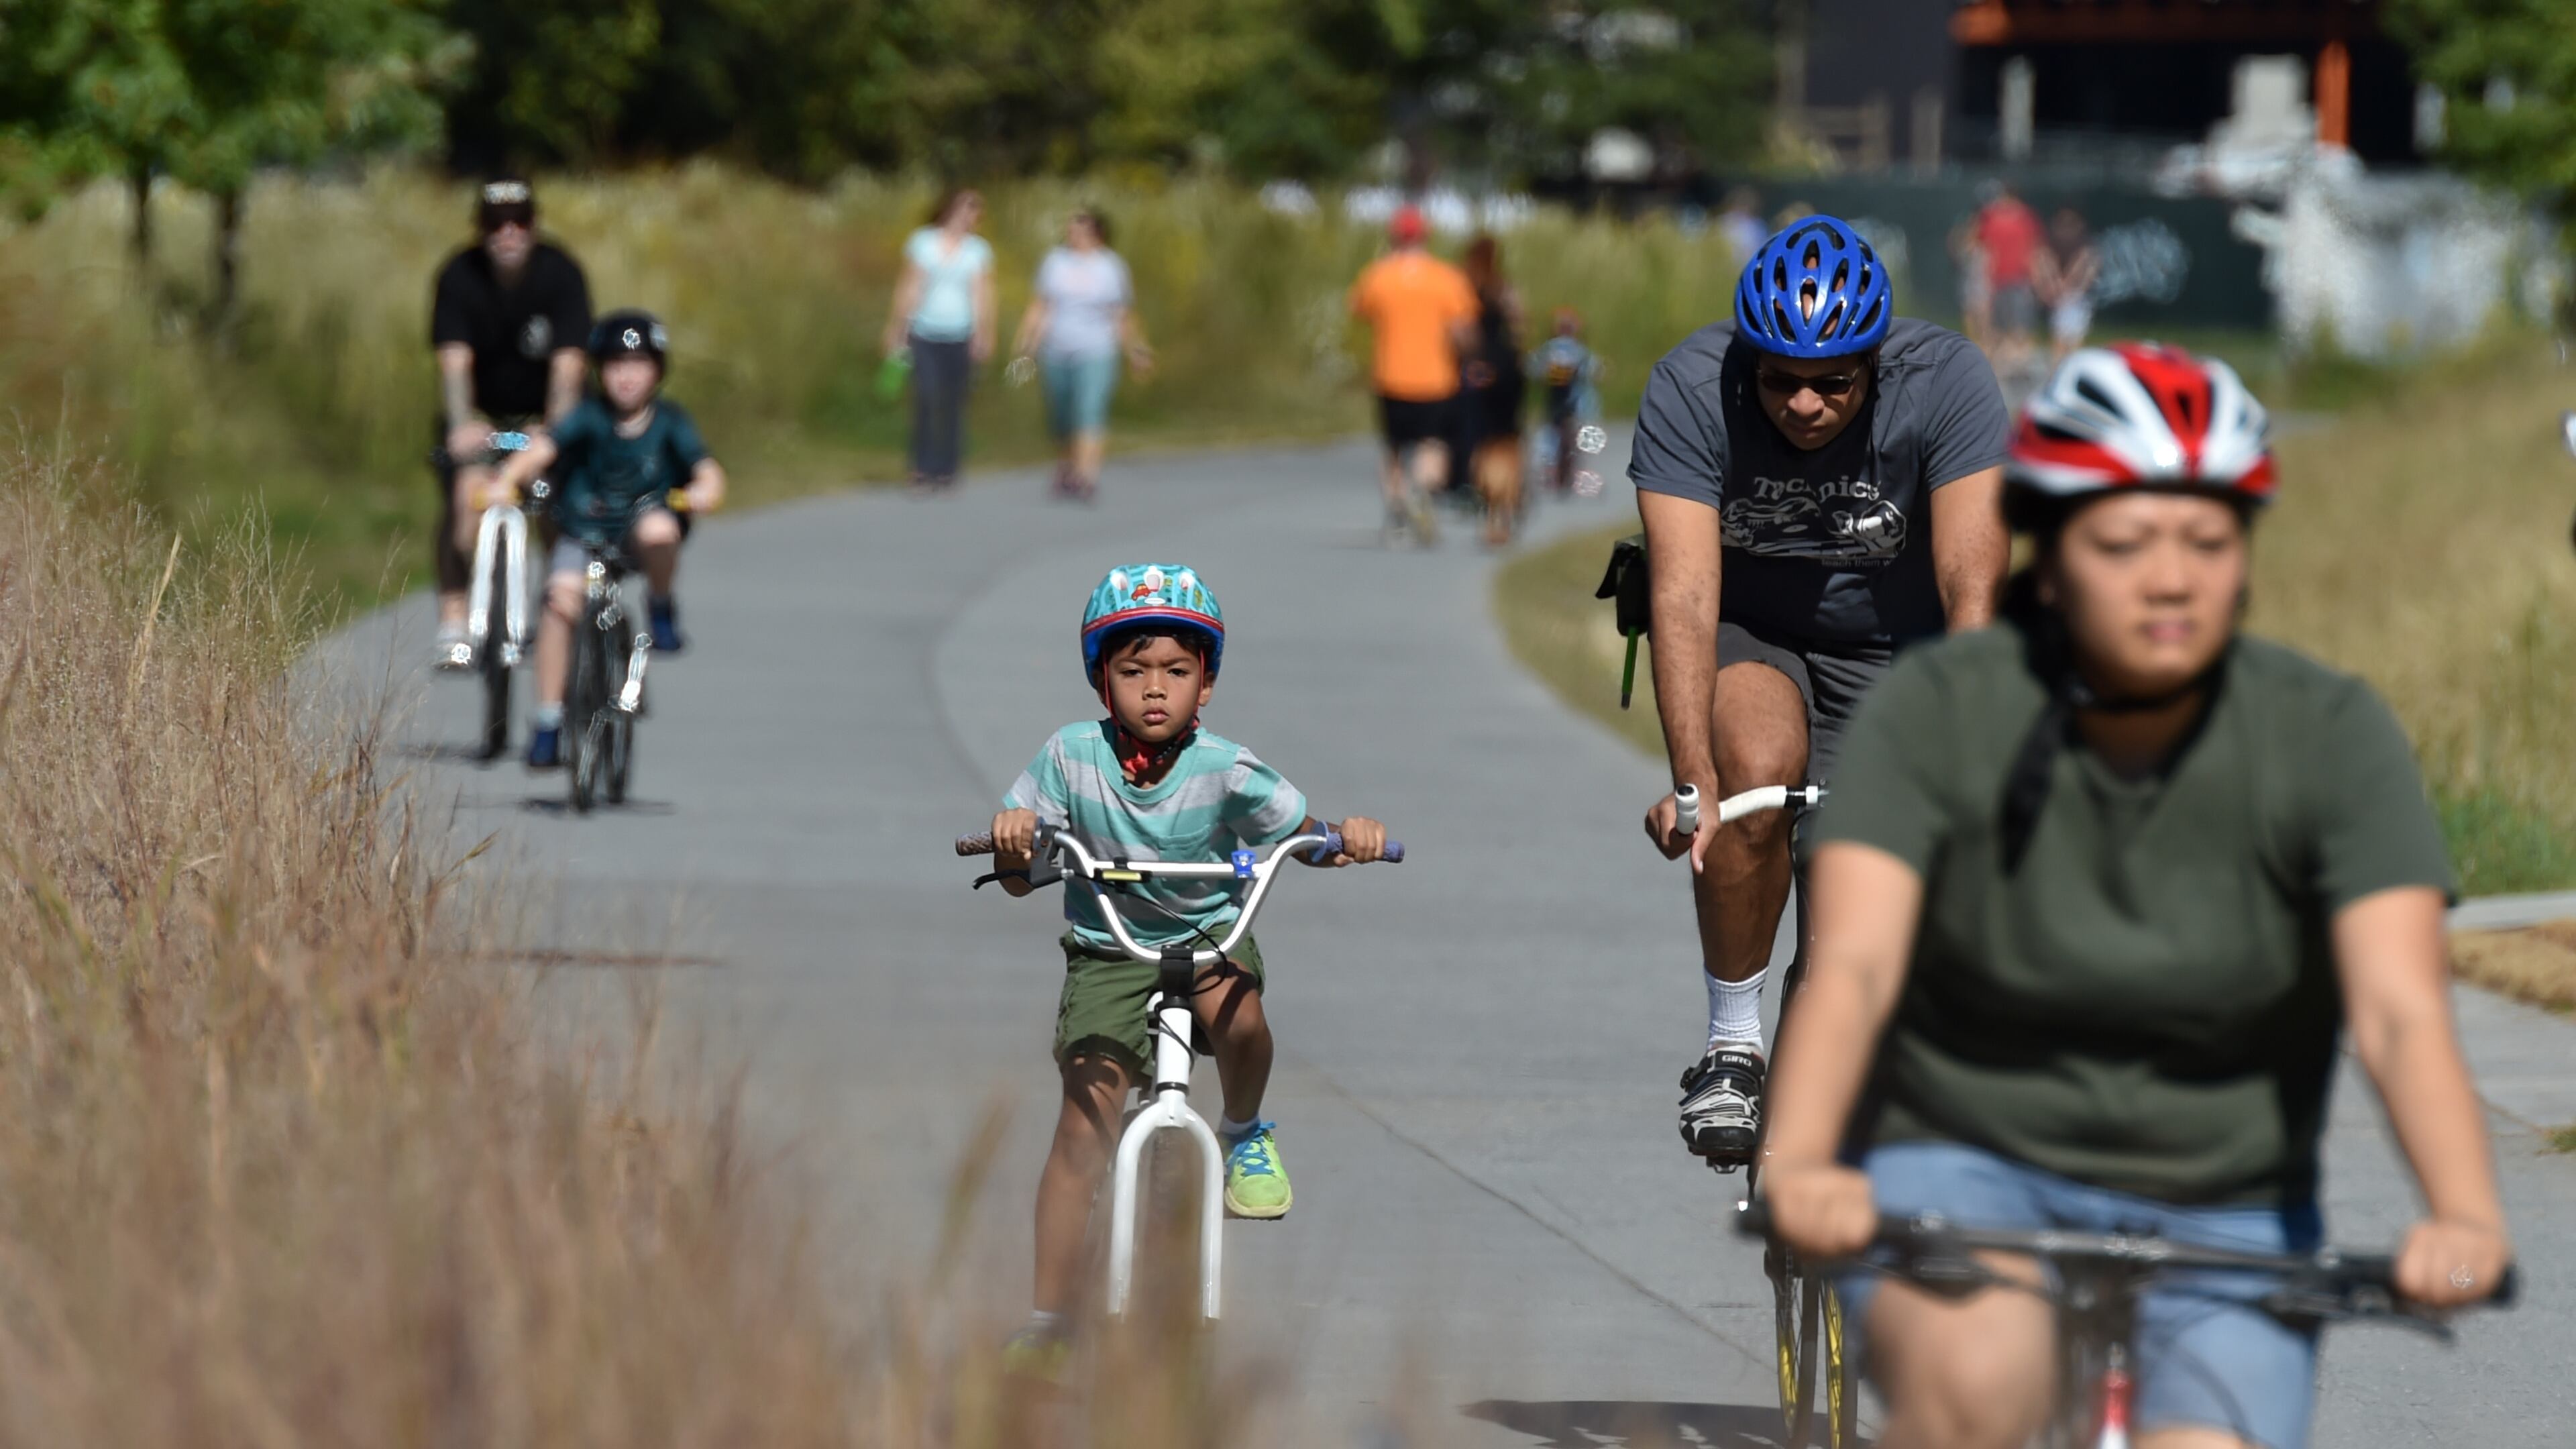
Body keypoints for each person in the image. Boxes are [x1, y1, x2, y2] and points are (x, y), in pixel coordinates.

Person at [1758, 343, 2514, 1449]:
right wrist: (1808, 1157)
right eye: (2123, 545)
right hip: (1966, 1161)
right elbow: (1856, 966)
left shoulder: (2330, 734)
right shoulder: (1937, 713)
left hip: (2225, 1196)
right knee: (1979, 1383)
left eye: (2208, 542)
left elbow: (2400, 1010)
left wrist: (2464, 1212)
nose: (2171, 579)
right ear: (2050, 553)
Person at [1630, 214, 2010, 1167]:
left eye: (1834, 383)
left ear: (1875, 363)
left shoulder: (1948, 381)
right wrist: (1693, 781)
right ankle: (1733, 1046)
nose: (1804, 404)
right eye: (1779, 380)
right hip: (1750, 630)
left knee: (1855, 888)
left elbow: (1972, 582)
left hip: (1895, 648)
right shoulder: (1691, 385)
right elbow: (1683, 594)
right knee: (1757, 773)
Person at [985, 564, 1389, 1380]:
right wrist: (1015, 840)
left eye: (1176, 671)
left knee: (1244, 1019)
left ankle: (1243, 1131)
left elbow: (1299, 832)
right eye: (1133, 670)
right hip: (1110, 950)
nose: (1154, 689)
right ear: (1101, 680)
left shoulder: (1227, 768)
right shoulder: (1069, 757)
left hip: (1210, 939)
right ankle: (1050, 1317)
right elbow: (1022, 873)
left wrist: (1345, 838)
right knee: (1080, 1131)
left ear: (1206, 683)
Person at [487, 311, 727, 768]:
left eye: (638, 364)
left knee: (660, 530)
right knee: (559, 601)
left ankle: (661, 604)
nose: (626, 376)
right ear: (600, 370)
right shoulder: (589, 416)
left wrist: (705, 492)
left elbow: (706, 468)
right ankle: (548, 720)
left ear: (658, 370)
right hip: (584, 528)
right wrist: (507, 480)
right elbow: (542, 449)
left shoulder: (670, 421)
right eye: (616, 365)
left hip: (639, 529)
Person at [428, 178, 592, 668]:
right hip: (485, 418)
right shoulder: (459, 276)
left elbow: (569, 365)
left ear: (534, 226)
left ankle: (559, 608)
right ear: (480, 229)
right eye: (496, 224)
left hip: (543, 416)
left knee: (552, 502)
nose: (508, 233)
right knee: (465, 501)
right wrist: (463, 424)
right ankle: (455, 616)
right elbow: (454, 362)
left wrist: (554, 429)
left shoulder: (561, 273)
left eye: (519, 222)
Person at [1348, 205, 1479, 546]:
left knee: (1393, 448)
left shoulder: (1378, 275)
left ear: (1394, 236)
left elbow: (1360, 309)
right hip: (1436, 379)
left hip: (1390, 375)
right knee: (1432, 443)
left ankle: (1397, 510)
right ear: (1425, 236)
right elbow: (1462, 330)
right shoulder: (1447, 278)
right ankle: (1421, 490)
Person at [1010, 205, 1153, 502]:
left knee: (1090, 409)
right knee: (1061, 416)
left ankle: (1086, 476)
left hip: (1097, 349)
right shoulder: (1055, 262)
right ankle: (1067, 465)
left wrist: (1136, 350)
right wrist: (1026, 346)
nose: (1073, 234)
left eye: (1080, 229)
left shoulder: (1110, 267)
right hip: (1056, 349)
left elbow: (1121, 314)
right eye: (1071, 228)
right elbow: (1041, 307)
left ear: (1097, 233)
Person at [882, 188, 996, 492]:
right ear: (949, 209)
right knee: (927, 396)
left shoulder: (978, 250)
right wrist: (897, 328)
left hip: (960, 333)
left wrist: (983, 333)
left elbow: (981, 294)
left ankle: (948, 466)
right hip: (924, 331)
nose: (970, 216)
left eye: (975, 211)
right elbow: (910, 286)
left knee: (953, 401)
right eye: (966, 208)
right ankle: (921, 466)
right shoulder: (923, 242)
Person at [1458, 234, 1527, 547]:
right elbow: (1520, 326)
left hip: (1479, 371)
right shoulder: (1504, 289)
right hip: (1507, 370)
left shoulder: (1464, 288)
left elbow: (1463, 334)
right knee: (1508, 439)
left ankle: (1489, 511)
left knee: (1482, 441)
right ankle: (1506, 508)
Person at [1529, 307, 1604, 495]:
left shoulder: (1567, 349)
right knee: (1558, 435)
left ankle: (1560, 470)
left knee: (1564, 435)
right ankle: (1558, 470)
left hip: (1573, 401)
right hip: (1563, 401)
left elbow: (1534, 368)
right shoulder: (1562, 348)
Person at [1974, 181, 2044, 370]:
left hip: (2009, 277)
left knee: (2008, 324)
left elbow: (1987, 251)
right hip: (2011, 278)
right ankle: (2014, 362)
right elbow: (2034, 249)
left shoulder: (1996, 218)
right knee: (2014, 324)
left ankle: (2010, 363)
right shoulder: (2023, 217)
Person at [2035, 206, 2100, 364]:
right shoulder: (2051, 243)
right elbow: (2044, 261)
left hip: (2077, 295)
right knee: (2060, 339)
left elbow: (2086, 266)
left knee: (2075, 339)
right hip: (2060, 294)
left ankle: (2069, 367)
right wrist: (2052, 286)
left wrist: (2069, 285)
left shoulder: (2085, 244)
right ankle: (2058, 369)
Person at [1717, 186, 1768, 264]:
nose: (1745, 207)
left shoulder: (1758, 225)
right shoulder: (1723, 222)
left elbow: (1762, 248)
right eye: (1742, 203)